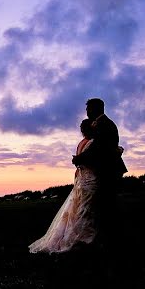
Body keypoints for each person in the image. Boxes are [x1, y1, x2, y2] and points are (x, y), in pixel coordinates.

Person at [29, 119, 101, 254]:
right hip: (86, 177)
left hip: (82, 177)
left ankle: (83, 235)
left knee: (81, 207)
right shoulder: (90, 143)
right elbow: (86, 159)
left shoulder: (83, 143)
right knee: (84, 208)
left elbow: (80, 160)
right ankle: (84, 237)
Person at [71, 98, 127, 250]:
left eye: (88, 109)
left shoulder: (104, 125)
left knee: (106, 204)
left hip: (107, 171)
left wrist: (79, 158)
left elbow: (98, 149)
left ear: (96, 108)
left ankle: (108, 240)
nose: (87, 112)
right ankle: (105, 237)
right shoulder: (101, 124)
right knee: (103, 205)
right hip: (103, 170)